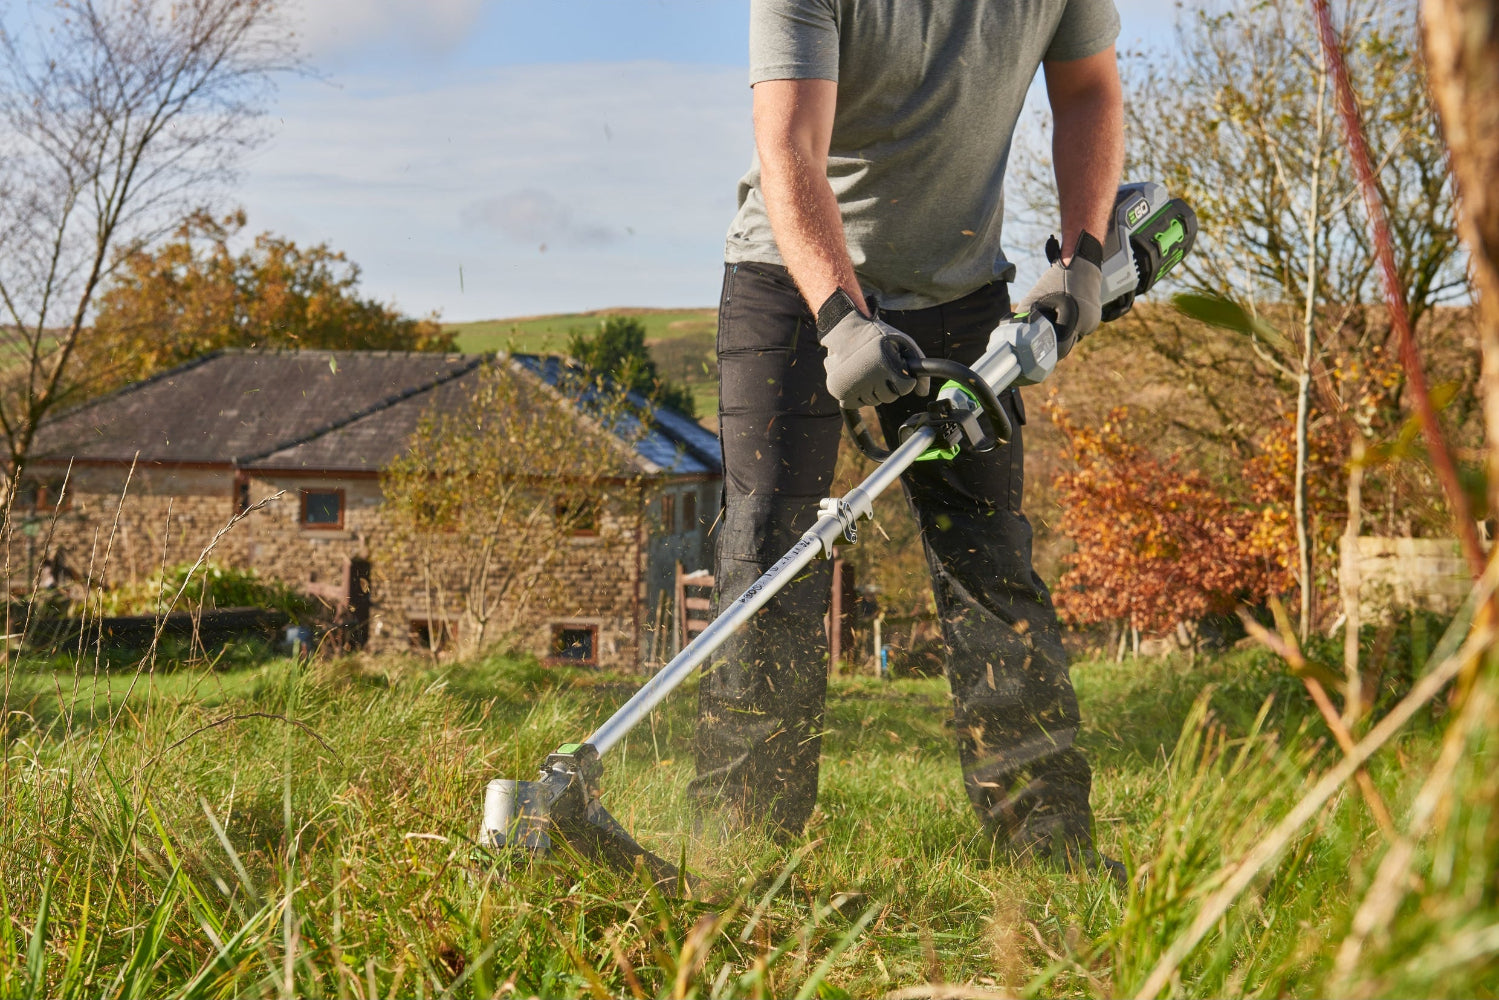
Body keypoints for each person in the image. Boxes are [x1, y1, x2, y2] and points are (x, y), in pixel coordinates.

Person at [691, 0, 1125, 873]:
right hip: (790, 280)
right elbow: (788, 146)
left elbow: (1087, 92)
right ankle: (742, 848)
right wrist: (839, 319)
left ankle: (1044, 843)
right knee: (768, 550)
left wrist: (1080, 256)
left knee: (988, 560)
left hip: (958, 289)